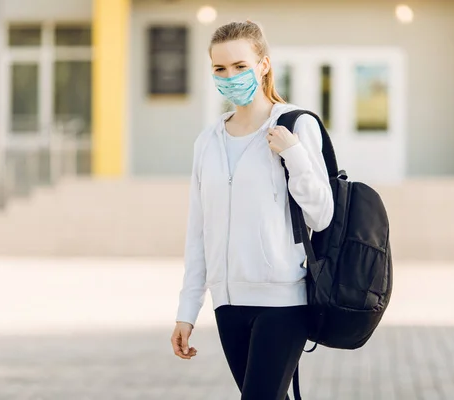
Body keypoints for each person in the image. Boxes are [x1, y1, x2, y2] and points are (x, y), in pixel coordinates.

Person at [170, 20, 334, 400]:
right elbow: (199, 230)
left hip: (283, 300)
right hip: (227, 303)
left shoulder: (296, 125)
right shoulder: (207, 141)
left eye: (240, 66)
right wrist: (187, 309)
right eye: (220, 69)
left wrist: (293, 155)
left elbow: (321, 215)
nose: (230, 76)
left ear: (263, 65)